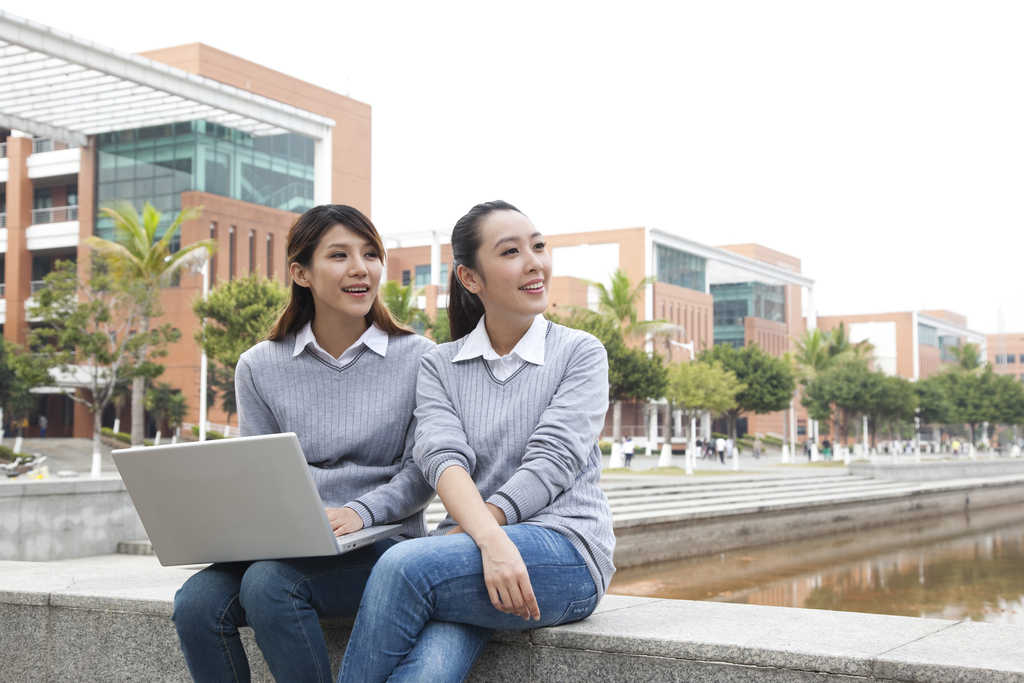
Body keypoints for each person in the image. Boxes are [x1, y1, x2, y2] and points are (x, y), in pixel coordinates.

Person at [338, 200, 615, 683]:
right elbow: (442, 458)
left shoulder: (579, 352)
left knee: (404, 566)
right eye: (511, 252)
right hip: (472, 550)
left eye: (539, 246)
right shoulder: (440, 364)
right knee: (427, 672)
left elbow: (553, 461)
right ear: (470, 279)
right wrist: (489, 541)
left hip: (564, 550)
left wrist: (484, 535)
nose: (535, 262)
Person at [171, 205, 436, 683]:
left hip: (383, 541)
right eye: (339, 255)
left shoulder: (419, 357)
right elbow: (256, 471)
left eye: (371, 254)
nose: (361, 268)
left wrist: (360, 513)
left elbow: (423, 472)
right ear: (301, 273)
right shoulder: (259, 365)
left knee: (271, 584)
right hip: (289, 541)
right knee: (195, 604)